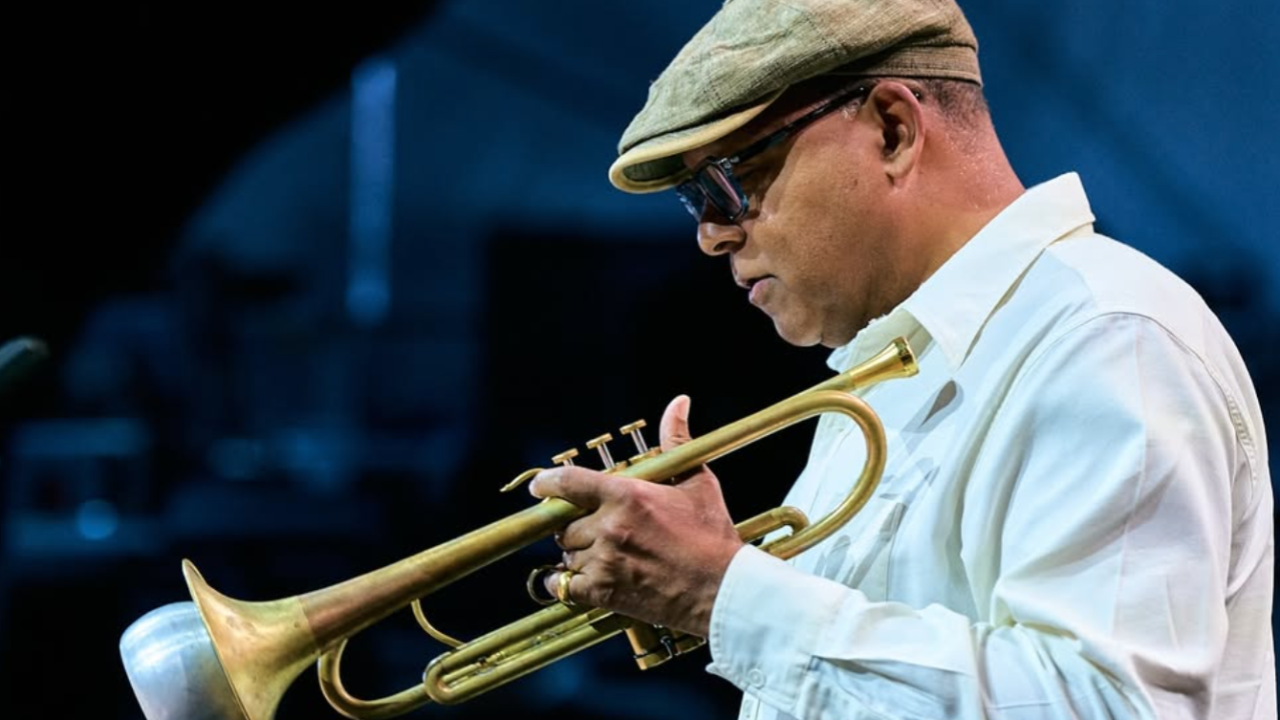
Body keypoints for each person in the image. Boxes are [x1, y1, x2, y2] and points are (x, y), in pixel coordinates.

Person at [527, 1, 1275, 717]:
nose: (711, 235)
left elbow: (1110, 707)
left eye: (728, 182)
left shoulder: (1106, 337)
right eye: (696, 202)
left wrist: (720, 592)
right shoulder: (884, 374)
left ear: (892, 131)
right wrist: (718, 578)